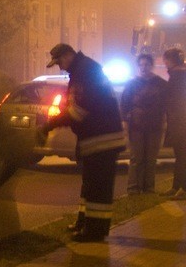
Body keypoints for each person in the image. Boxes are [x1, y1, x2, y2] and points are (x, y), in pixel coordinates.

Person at [37, 43, 125, 242]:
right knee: (90, 186)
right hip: (96, 139)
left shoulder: (85, 72)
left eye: (60, 61)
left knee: (98, 189)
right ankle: (85, 222)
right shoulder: (83, 71)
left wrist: (48, 126)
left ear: (68, 55)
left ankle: (95, 231)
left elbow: (78, 111)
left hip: (101, 139)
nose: (60, 67)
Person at [120, 53, 167, 194]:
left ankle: (149, 188)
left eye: (146, 64)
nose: (143, 67)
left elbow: (166, 104)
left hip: (155, 126)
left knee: (151, 159)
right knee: (136, 158)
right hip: (136, 126)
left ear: (151, 66)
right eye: (141, 65)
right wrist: (125, 122)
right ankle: (133, 188)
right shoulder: (132, 84)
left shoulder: (160, 83)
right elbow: (124, 104)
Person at [162, 47, 186, 199]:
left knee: (182, 156)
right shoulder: (180, 75)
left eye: (166, 60)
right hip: (179, 122)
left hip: (180, 123)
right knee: (180, 156)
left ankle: (182, 188)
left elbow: (174, 101)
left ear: (169, 60)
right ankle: (176, 186)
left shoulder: (177, 76)